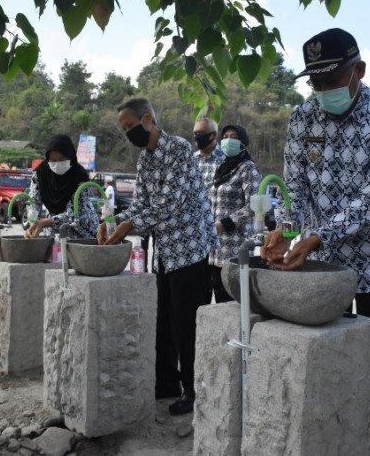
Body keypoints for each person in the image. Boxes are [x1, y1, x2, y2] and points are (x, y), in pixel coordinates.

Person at [263, 28, 370, 456]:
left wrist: (313, 237)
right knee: (328, 363)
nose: (323, 91)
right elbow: (294, 192)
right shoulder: (302, 119)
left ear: (358, 71)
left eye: (332, 80)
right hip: (319, 268)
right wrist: (285, 231)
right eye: (316, 83)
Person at [98, 97, 215, 416]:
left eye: (130, 126)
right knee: (163, 317)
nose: (128, 133)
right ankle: (166, 383)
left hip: (190, 247)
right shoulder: (145, 160)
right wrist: (113, 223)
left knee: (187, 323)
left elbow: (169, 204)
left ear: (148, 118)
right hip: (165, 250)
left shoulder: (177, 150)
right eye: (123, 129)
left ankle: (193, 391)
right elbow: (141, 202)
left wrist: (128, 226)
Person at [208, 124, 261, 303]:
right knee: (219, 304)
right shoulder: (222, 168)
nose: (228, 139)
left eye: (234, 136)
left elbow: (255, 205)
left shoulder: (248, 168)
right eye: (225, 136)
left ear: (243, 142)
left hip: (236, 247)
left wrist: (226, 223)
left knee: (233, 304)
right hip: (215, 250)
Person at [24, 135, 99, 240]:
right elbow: (33, 200)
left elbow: (75, 213)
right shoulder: (41, 173)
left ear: (70, 157)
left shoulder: (79, 176)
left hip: (82, 231)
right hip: (52, 231)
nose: (57, 163)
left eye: (61, 159)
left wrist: (45, 222)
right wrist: (32, 221)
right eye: (53, 160)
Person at [193, 117, 224, 191]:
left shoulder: (225, 158)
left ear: (213, 135)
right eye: (195, 133)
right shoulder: (191, 159)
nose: (197, 136)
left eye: (201, 133)